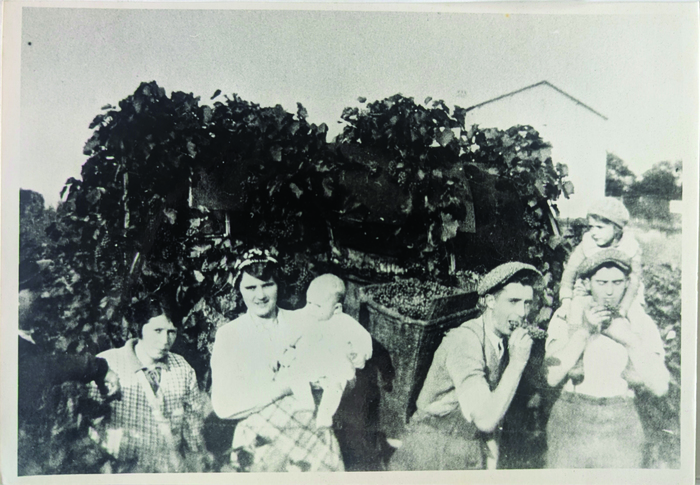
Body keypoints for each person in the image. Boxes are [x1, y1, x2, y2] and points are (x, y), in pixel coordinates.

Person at [388, 262, 541, 470]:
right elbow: (486, 419)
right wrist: (517, 363)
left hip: (463, 450)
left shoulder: (501, 340)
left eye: (527, 303)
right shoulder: (465, 341)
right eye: (513, 301)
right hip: (431, 454)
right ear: (490, 301)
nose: (522, 312)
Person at [210, 249, 344, 472]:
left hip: (309, 434)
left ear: (279, 285)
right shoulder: (229, 335)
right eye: (251, 287)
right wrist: (282, 387)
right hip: (258, 440)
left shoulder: (303, 321)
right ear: (239, 290)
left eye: (267, 285)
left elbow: (336, 367)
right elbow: (224, 407)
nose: (260, 295)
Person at [544, 249, 670, 468]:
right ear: (588, 282)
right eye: (601, 282)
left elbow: (660, 387)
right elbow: (551, 377)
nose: (610, 291)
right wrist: (583, 331)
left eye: (617, 282)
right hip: (572, 419)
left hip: (620, 420)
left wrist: (629, 339)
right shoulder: (567, 315)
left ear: (627, 284)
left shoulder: (640, 321)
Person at [93, 296, 209, 473]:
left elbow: (193, 428)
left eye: (171, 332)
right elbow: (91, 427)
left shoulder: (182, 368)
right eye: (157, 330)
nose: (165, 340)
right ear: (139, 327)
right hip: (121, 471)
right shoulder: (107, 364)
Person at [288, 274, 373, 429]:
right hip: (308, 367)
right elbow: (291, 337)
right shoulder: (305, 318)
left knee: (335, 387)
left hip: (334, 370)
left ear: (336, 308)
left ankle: (325, 416)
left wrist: (361, 354)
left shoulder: (344, 322)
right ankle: (305, 402)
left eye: (317, 306)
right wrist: (288, 349)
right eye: (308, 302)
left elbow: (363, 338)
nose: (310, 309)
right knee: (294, 374)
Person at [560, 197, 643, 318]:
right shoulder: (587, 244)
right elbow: (570, 273)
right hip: (588, 294)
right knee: (576, 312)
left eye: (599, 227)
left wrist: (623, 308)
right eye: (591, 227)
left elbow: (634, 281)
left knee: (637, 316)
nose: (593, 232)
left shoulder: (629, 247)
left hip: (623, 296)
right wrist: (566, 301)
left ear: (616, 229)